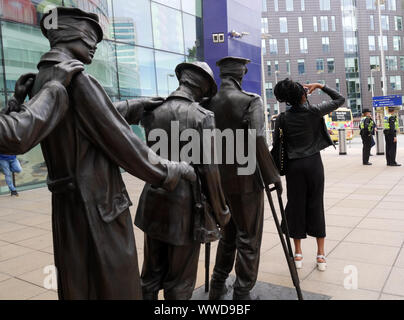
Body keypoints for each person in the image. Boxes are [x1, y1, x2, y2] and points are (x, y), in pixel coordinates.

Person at [26, 7, 196, 300]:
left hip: (68, 205)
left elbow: (87, 120)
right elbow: (125, 146)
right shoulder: (79, 80)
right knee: (115, 288)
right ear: (68, 34)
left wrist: (133, 106)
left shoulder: (45, 79)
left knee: (80, 284)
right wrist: (171, 171)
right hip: (98, 208)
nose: (94, 44)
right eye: (89, 35)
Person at [135, 61, 231, 300]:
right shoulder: (202, 116)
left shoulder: (151, 110)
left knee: (150, 276)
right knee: (179, 283)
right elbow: (209, 169)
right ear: (202, 89)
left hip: (153, 200)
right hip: (185, 207)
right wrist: (221, 211)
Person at [207, 57, 282, 300]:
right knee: (248, 237)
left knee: (227, 234)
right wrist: (273, 175)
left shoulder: (207, 103)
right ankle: (242, 291)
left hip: (217, 180)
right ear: (241, 74)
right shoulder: (251, 100)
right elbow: (258, 139)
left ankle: (218, 283)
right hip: (246, 180)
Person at [273, 79, 345, 272]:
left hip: (294, 167)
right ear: (304, 95)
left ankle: (298, 254)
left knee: (296, 206)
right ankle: (320, 255)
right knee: (316, 204)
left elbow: (276, 145)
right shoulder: (314, 112)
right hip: (314, 164)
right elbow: (340, 99)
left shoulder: (281, 119)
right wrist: (321, 85)